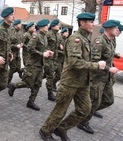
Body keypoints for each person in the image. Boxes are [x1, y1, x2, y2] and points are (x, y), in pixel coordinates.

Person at [39, 12, 108, 141]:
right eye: (91, 22)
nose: (93, 24)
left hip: (83, 83)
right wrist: (96, 65)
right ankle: (45, 131)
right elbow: (74, 62)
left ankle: (61, 128)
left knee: (85, 110)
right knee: (60, 111)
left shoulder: (86, 38)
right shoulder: (75, 39)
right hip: (70, 82)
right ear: (82, 23)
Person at [77, 20, 121, 134]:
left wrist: (117, 55)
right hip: (97, 78)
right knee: (94, 101)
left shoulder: (110, 41)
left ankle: (90, 111)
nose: (117, 30)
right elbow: (94, 60)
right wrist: (109, 68)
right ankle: (83, 122)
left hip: (106, 78)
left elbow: (108, 54)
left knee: (108, 100)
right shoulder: (99, 41)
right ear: (108, 29)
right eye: (115, 28)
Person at [8, 19, 53, 111]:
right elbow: (29, 48)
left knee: (37, 84)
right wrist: (42, 54)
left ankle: (31, 102)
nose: (48, 27)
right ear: (41, 27)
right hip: (32, 65)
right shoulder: (36, 37)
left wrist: (47, 52)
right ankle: (14, 86)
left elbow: (42, 49)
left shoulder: (44, 37)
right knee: (28, 83)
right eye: (46, 26)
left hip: (40, 65)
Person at [44, 19, 62, 101]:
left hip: (56, 59)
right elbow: (43, 45)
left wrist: (60, 46)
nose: (59, 26)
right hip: (48, 59)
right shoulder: (48, 34)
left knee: (50, 74)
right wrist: (47, 50)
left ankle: (32, 81)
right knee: (50, 76)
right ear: (54, 26)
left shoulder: (58, 35)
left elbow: (58, 44)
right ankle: (49, 93)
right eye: (58, 25)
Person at [53, 27, 69, 92]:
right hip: (58, 60)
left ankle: (52, 83)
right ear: (62, 33)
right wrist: (63, 52)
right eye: (66, 32)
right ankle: (52, 83)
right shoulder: (59, 39)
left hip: (63, 60)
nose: (67, 33)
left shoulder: (67, 40)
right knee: (59, 74)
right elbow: (55, 50)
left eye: (68, 32)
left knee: (60, 75)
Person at [7, 19, 23, 85]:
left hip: (18, 54)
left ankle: (4, 77)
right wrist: (16, 46)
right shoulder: (11, 32)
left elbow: (20, 42)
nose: (21, 25)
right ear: (16, 25)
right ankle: (7, 82)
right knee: (13, 68)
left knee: (18, 68)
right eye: (19, 24)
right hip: (12, 53)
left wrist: (21, 44)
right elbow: (8, 44)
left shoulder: (19, 32)